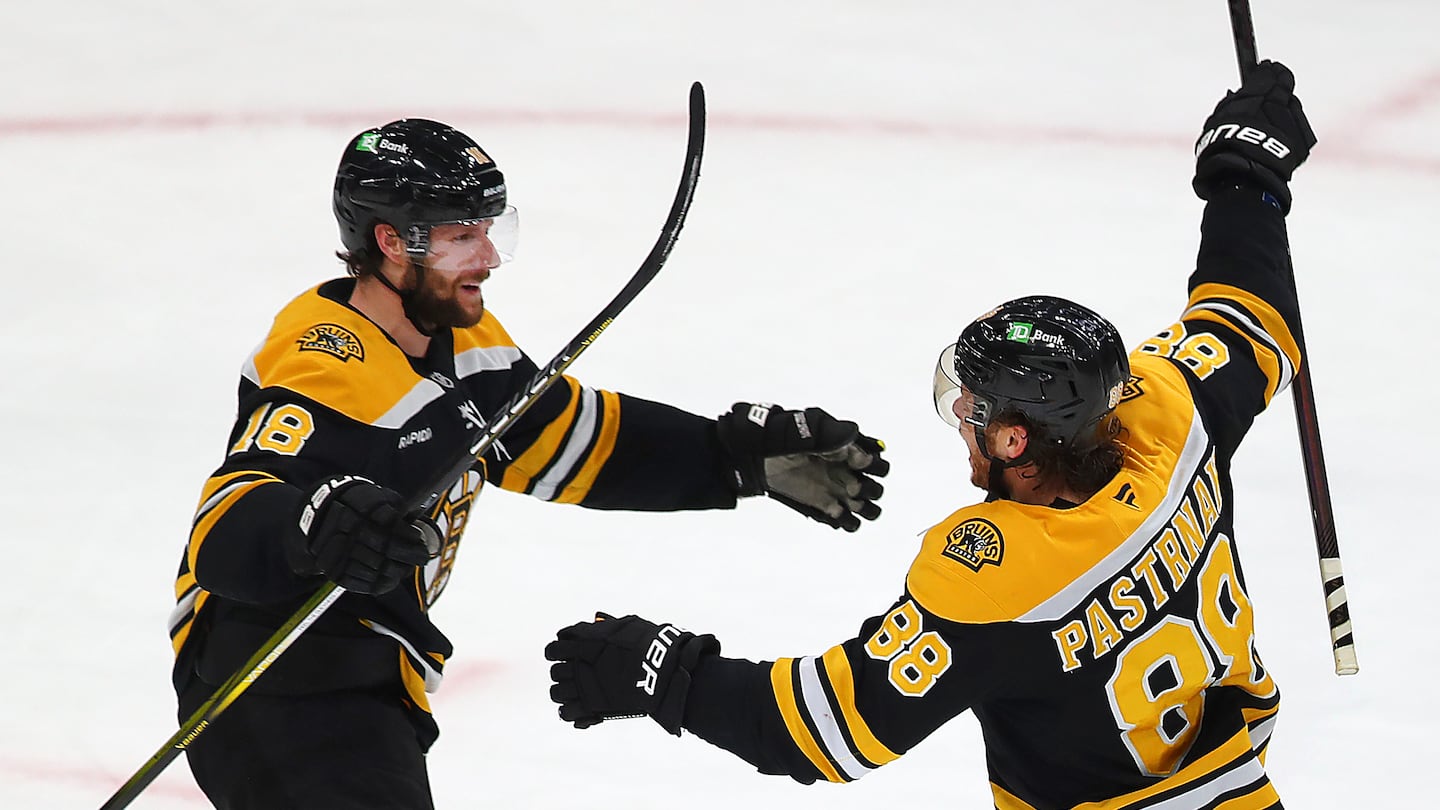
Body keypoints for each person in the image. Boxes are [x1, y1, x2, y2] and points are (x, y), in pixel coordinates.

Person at [545, 60, 1316, 809]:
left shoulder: (1004, 575)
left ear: (1015, 442)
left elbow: (817, 730)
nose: (962, 423)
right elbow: (1250, 315)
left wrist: (663, 671)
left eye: (973, 411)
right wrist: (1248, 177)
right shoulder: (1171, 416)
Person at [167, 117, 889, 809]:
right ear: (390, 241)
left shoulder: (464, 340)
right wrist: (314, 520)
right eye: (461, 237)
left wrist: (730, 460)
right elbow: (225, 524)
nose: (488, 257)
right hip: (271, 679)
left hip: (362, 680)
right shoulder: (328, 358)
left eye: (489, 230)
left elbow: (567, 440)